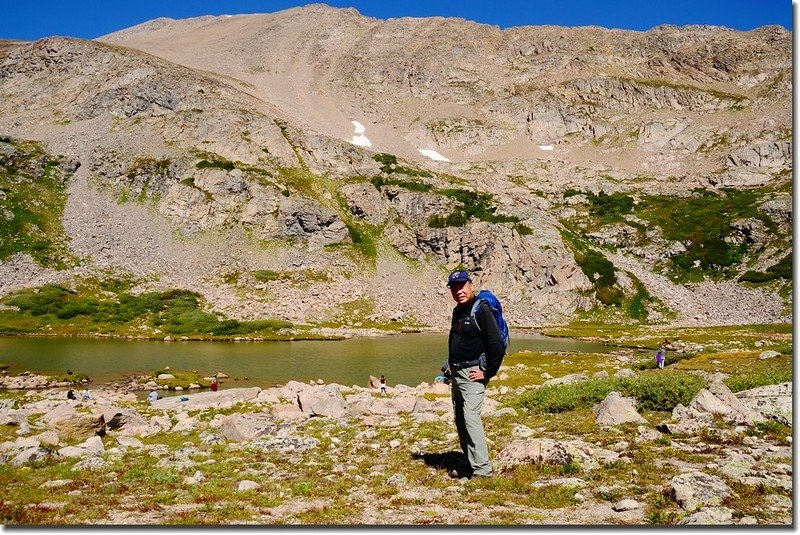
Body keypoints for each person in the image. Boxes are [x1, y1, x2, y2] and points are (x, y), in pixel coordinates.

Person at [445, 269, 505, 479]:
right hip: (457, 373)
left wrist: (488, 372)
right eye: (454, 287)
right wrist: (450, 366)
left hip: (473, 374)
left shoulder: (482, 309)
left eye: (462, 285)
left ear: (471, 285)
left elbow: (496, 344)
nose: (458, 290)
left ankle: (483, 470)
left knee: (471, 419)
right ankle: (470, 463)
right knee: (461, 420)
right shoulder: (457, 311)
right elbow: (456, 340)